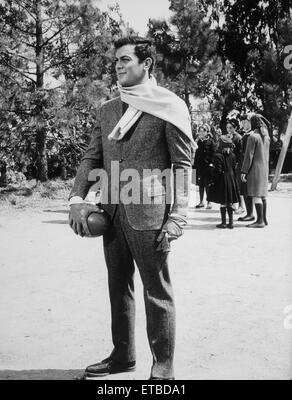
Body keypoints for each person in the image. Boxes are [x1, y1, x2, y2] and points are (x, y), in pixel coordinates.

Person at [68, 36, 197, 380]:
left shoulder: (169, 106)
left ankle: (163, 367)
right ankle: (123, 356)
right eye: (116, 61)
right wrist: (76, 198)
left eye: (125, 59)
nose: (118, 66)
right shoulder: (107, 109)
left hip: (150, 215)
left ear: (147, 64)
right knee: (118, 286)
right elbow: (91, 156)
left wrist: (178, 215)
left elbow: (182, 165)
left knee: (157, 291)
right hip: (110, 212)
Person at [241, 113, 270, 228]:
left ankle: (260, 221)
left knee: (256, 195)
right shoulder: (266, 137)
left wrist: (244, 171)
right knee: (262, 195)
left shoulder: (252, 137)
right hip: (264, 169)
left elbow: (249, 156)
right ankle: (264, 219)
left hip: (255, 169)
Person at [208, 136, 240, 229]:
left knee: (223, 202)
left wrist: (212, 172)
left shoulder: (218, 156)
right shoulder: (233, 156)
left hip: (222, 180)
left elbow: (218, 171)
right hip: (231, 179)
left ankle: (223, 223)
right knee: (230, 201)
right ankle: (231, 223)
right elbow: (234, 168)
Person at [237, 114, 255, 222]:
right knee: (243, 190)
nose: (243, 124)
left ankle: (250, 213)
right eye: (242, 122)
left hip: (247, 166)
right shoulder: (245, 135)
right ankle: (249, 213)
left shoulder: (252, 135)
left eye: (245, 122)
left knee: (248, 191)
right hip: (242, 164)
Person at [193, 124, 215, 209]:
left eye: (203, 131)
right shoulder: (197, 142)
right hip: (199, 166)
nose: (201, 133)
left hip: (208, 166)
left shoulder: (210, 141)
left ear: (207, 132)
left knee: (208, 184)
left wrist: (212, 163)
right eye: (200, 131)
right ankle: (201, 202)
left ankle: (209, 202)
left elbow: (213, 153)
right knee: (200, 184)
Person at [224, 119, 243, 213]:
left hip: (236, 165)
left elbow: (241, 153)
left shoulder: (239, 138)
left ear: (235, 128)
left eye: (230, 127)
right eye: (227, 127)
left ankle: (241, 206)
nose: (228, 129)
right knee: (229, 185)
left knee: (237, 186)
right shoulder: (226, 137)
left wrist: (237, 164)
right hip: (227, 165)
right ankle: (231, 204)